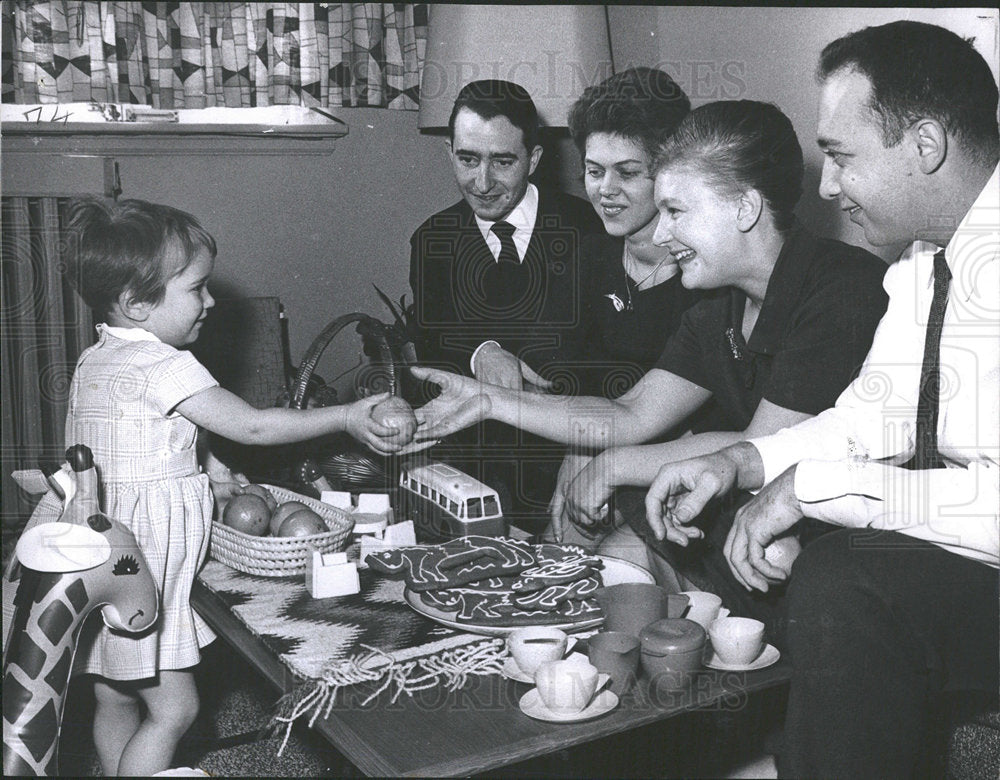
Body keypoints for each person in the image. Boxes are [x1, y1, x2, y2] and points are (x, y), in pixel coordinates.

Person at [643, 21, 999, 778]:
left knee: (848, 579)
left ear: (925, 145)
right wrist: (741, 463)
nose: (827, 186)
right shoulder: (921, 264)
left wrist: (812, 489)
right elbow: (870, 421)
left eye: (840, 155)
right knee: (831, 563)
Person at [412, 100, 889, 573]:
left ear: (745, 207)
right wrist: (490, 400)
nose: (661, 235)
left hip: (844, 539)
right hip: (735, 508)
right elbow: (631, 413)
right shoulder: (718, 303)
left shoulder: (843, 287)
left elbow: (761, 445)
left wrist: (613, 465)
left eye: (676, 211)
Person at [20, 198, 408, 776]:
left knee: (114, 693)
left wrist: (213, 469)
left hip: (98, 559)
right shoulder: (170, 366)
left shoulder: (95, 359)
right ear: (136, 303)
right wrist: (348, 416)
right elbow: (252, 424)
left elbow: (143, 438)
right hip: (144, 572)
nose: (211, 301)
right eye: (196, 289)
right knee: (175, 708)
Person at [408, 79, 602, 529]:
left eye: (503, 161)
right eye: (468, 159)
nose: (482, 182)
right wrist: (484, 351)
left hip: (575, 455)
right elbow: (436, 335)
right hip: (478, 468)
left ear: (533, 159)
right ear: (449, 153)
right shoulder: (430, 240)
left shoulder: (589, 228)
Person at [546, 67, 705, 542]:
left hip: (676, 473)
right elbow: (578, 383)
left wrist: (600, 469)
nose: (605, 190)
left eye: (628, 173)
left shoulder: (704, 278)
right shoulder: (589, 258)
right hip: (597, 454)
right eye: (594, 172)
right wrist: (574, 462)